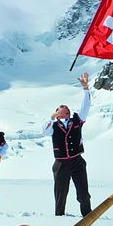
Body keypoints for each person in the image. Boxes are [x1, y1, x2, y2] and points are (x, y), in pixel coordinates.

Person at [42, 73, 92, 216]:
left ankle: (87, 215)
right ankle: (59, 217)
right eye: (60, 108)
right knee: (60, 194)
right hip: (61, 163)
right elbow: (44, 131)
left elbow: (86, 106)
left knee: (83, 193)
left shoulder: (77, 120)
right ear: (57, 113)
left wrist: (85, 88)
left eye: (67, 109)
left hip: (77, 161)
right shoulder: (53, 125)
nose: (65, 109)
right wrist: (51, 118)